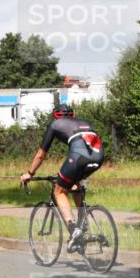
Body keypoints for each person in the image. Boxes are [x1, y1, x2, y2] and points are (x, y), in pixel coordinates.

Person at [20, 104, 104, 250]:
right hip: (99, 157)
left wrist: (30, 173)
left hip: (78, 157)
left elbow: (41, 155)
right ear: (72, 115)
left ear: (55, 115)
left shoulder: (55, 124)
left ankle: (73, 229)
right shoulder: (84, 123)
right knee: (74, 183)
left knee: (59, 191)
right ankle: (82, 222)